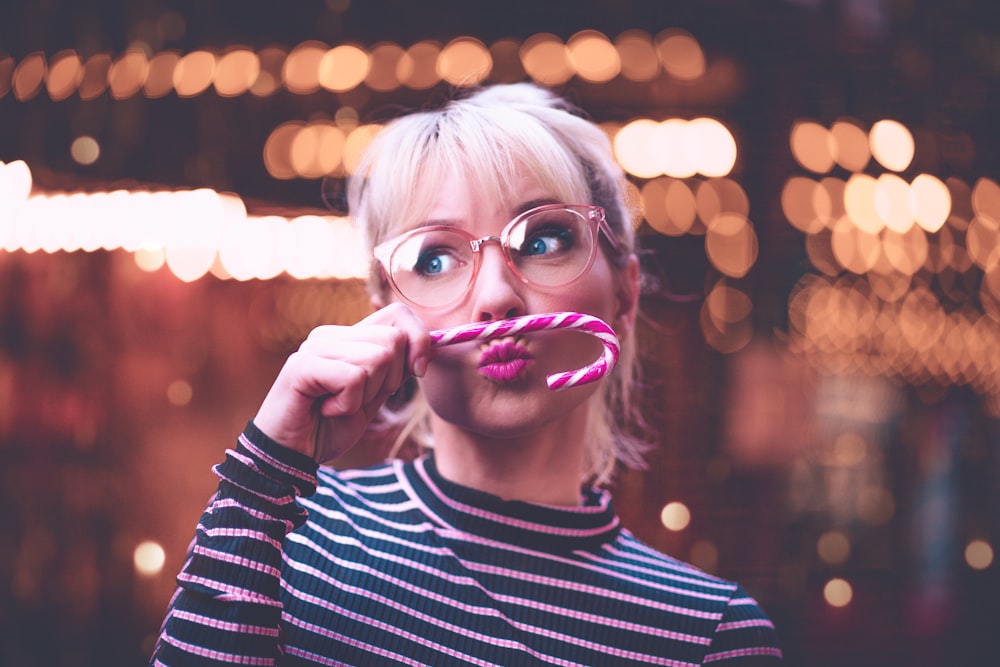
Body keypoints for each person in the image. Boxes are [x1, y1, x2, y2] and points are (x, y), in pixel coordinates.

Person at [150, 83, 782, 665]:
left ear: (626, 290)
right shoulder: (290, 541)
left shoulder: (707, 636)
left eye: (544, 240)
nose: (496, 297)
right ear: (388, 315)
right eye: (436, 257)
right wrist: (264, 474)